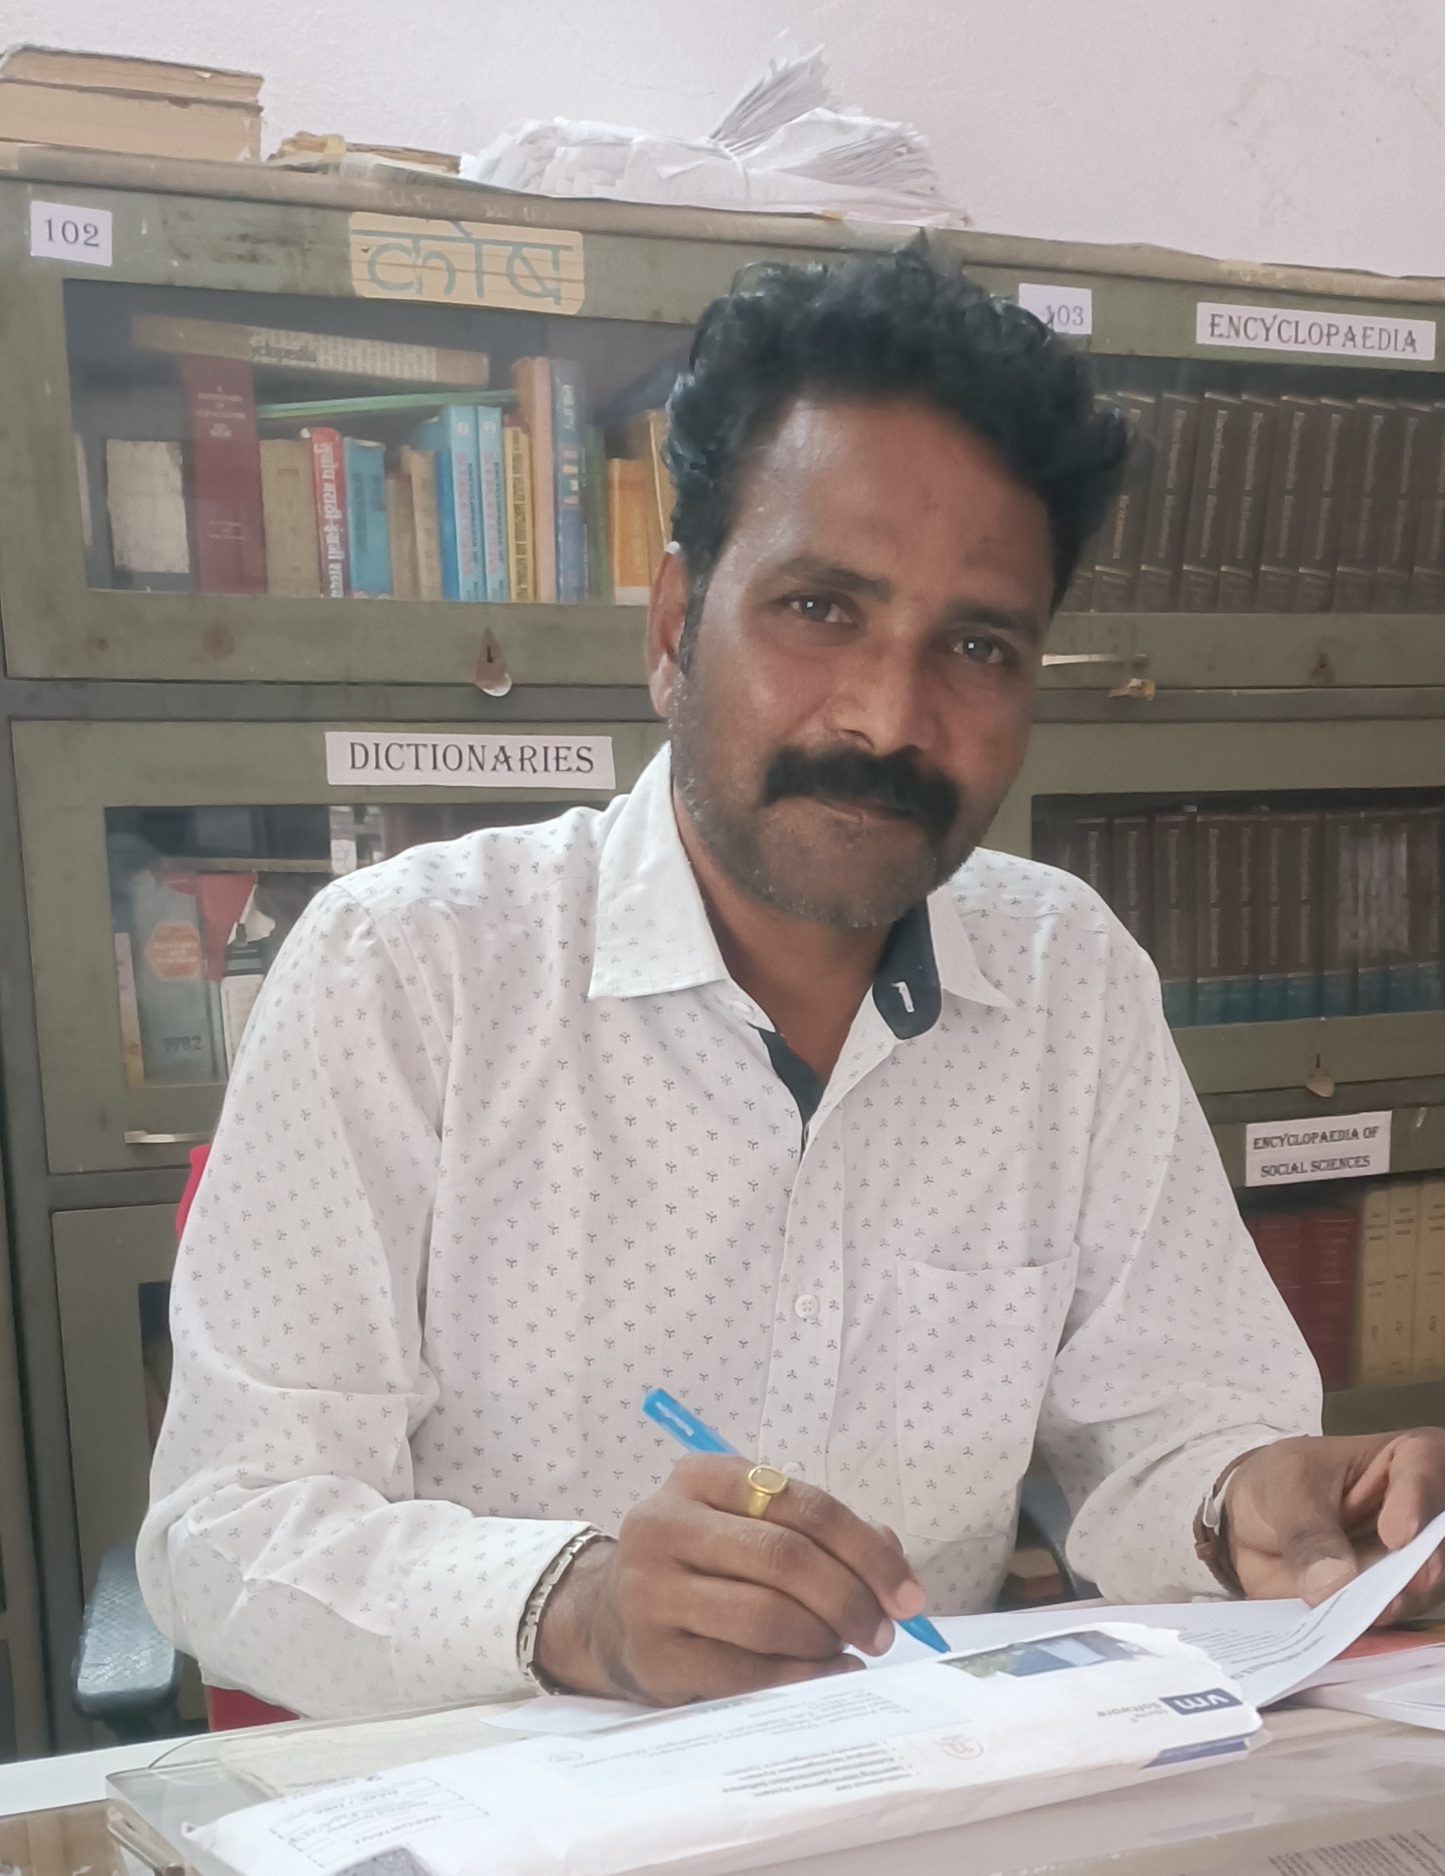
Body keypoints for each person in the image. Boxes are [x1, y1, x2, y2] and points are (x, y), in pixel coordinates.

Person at [139, 250, 1445, 1719]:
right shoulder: (409, 970)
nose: (888, 717)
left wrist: (1239, 1501)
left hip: (922, 1792)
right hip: (511, 1803)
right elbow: (223, 1530)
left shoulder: (1064, 976)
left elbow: (1166, 1430)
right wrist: (571, 1607)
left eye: (977, 645)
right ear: (671, 628)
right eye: (819, 608)